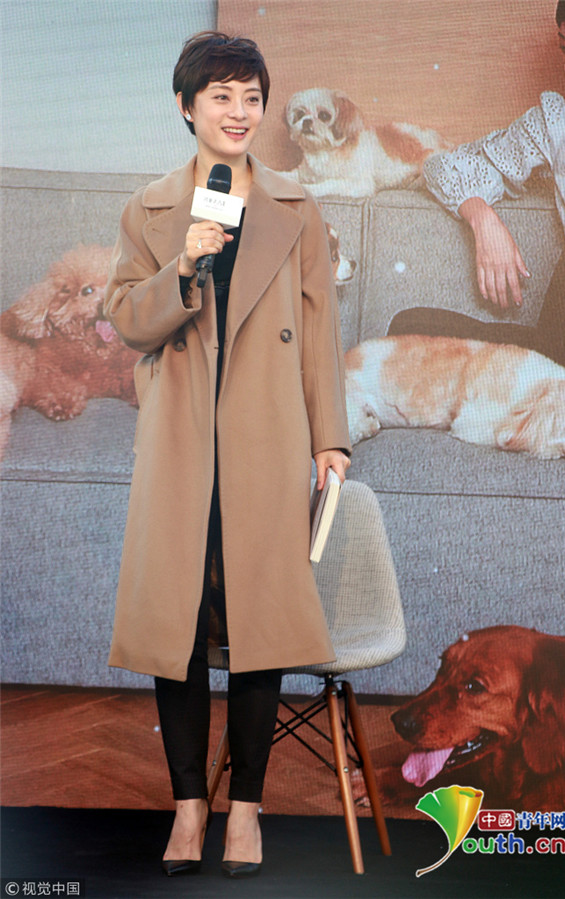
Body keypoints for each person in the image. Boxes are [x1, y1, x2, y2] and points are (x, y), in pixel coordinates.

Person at [104, 32, 351, 879]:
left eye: (251, 97)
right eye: (222, 96)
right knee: (177, 626)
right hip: (179, 441)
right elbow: (127, 321)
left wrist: (328, 438)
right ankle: (188, 806)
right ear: (187, 107)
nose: (240, 112)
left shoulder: (297, 206)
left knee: (259, 622)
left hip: (264, 438)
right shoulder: (150, 209)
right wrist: (184, 266)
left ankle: (245, 809)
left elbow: (317, 328)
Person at [391, 0, 565, 382]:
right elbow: (444, 165)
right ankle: (555, 380)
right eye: (564, 48)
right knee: (409, 329)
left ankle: (556, 382)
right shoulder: (558, 123)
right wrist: (482, 218)